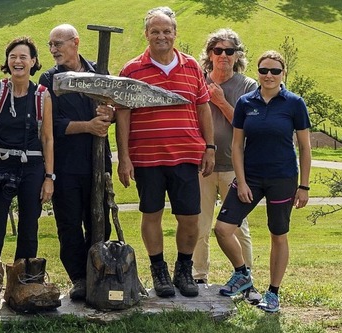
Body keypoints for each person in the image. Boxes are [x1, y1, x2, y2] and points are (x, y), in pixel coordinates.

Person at [115, 6, 215, 298]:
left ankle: (183, 271)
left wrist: (209, 147)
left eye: (166, 31)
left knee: (190, 218)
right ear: (146, 34)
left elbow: (203, 107)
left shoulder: (192, 67)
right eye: (155, 31)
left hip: (186, 154)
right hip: (147, 157)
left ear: (175, 33)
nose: (161, 36)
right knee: (152, 214)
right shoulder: (132, 70)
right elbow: (123, 114)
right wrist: (124, 157)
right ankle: (158, 271)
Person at [214, 50, 311, 313]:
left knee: (278, 234)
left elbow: (304, 147)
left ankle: (273, 293)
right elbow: (237, 146)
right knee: (222, 228)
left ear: (283, 74)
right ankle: (242, 274)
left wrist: (304, 186)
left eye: (275, 71)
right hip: (251, 177)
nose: (269, 75)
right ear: (257, 72)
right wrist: (242, 182)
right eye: (264, 70)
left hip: (283, 178)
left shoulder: (294, 103)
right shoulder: (246, 103)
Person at [38, 24, 113, 300]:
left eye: (58, 43)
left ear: (76, 42)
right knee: (69, 223)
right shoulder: (50, 79)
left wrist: (109, 115)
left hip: (98, 161)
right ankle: (79, 278)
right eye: (50, 45)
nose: (54, 49)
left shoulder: (99, 72)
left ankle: (102, 271)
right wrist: (88, 126)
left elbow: (113, 109)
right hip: (66, 164)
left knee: (99, 218)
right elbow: (49, 125)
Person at [193, 28, 262, 303]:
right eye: (218, 50)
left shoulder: (247, 87)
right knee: (200, 224)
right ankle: (198, 277)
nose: (223, 56)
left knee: (237, 226)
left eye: (229, 51)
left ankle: (247, 279)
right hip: (203, 164)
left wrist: (221, 101)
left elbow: (249, 126)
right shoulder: (199, 81)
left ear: (237, 56)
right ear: (210, 55)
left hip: (236, 166)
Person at [0, 36, 54, 262]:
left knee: (29, 227)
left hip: (32, 166)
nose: (17, 62)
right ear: (7, 62)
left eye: (23, 57)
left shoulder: (42, 95)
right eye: (13, 57)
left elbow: (48, 138)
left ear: (33, 62)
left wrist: (49, 177)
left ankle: (24, 283)